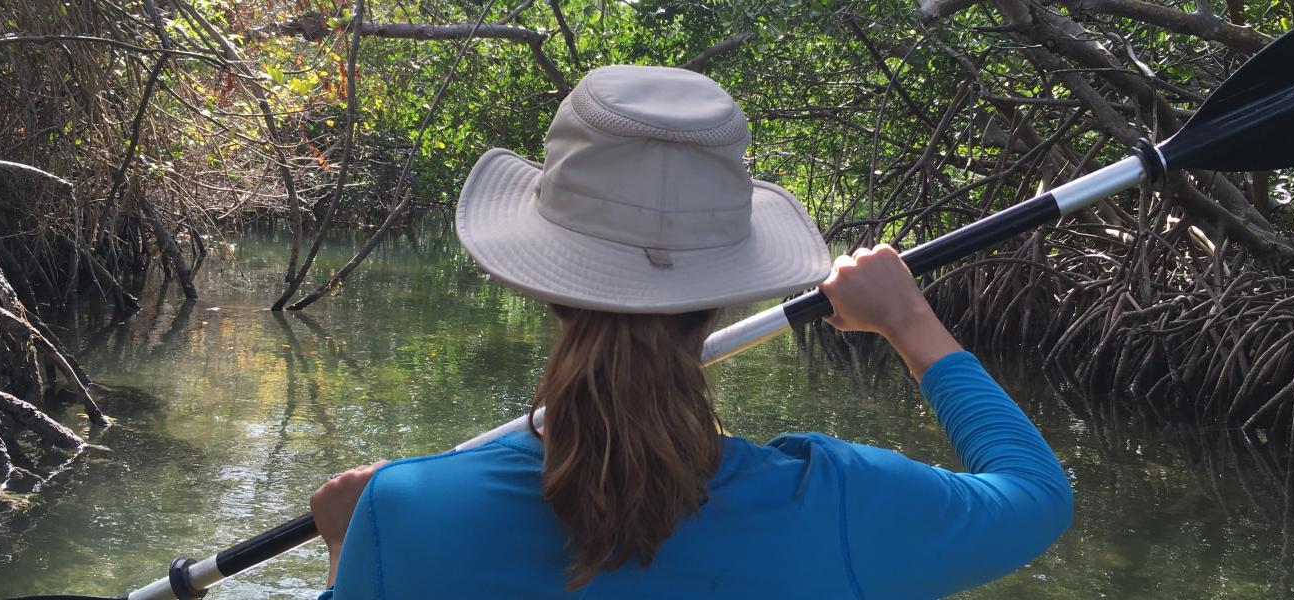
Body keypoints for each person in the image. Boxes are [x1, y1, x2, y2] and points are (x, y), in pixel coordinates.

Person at [310, 65, 1073, 599]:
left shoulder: (405, 513)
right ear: (719, 299)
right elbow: (1035, 497)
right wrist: (909, 320)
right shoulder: (836, 504)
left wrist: (350, 549)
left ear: (546, 288)